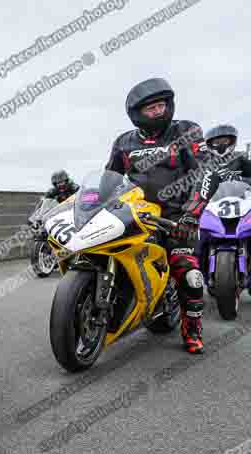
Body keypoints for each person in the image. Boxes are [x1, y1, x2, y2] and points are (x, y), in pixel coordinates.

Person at [105, 77, 206, 354]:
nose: (158, 112)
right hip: (135, 216)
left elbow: (206, 172)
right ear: (137, 113)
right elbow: (109, 179)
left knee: (188, 274)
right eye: (151, 108)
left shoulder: (187, 131)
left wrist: (191, 214)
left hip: (177, 218)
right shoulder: (123, 142)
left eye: (161, 105)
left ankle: (192, 329)